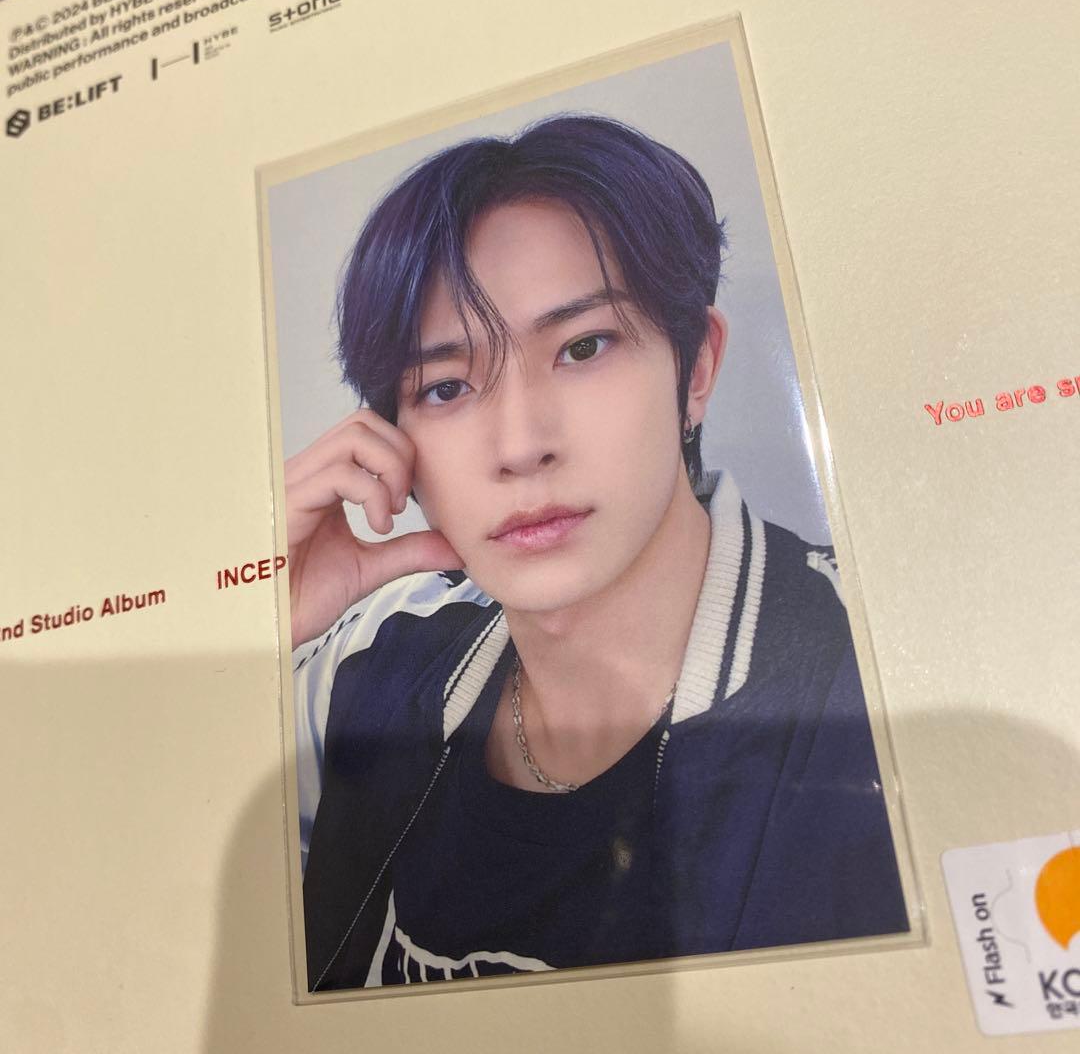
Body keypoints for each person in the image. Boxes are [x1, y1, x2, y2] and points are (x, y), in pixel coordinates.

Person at [287, 115, 907, 991]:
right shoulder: (370, 659)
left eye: (583, 347)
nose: (521, 445)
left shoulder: (884, 671)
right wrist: (254, 622)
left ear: (696, 369)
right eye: (448, 386)